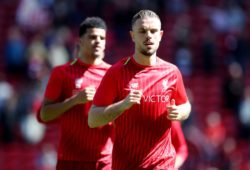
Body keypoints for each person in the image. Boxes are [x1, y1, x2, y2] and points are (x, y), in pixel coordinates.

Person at [88, 10, 191, 170]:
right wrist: (122, 105)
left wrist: (180, 112)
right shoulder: (116, 72)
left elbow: (185, 105)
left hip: (163, 165)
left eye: (153, 31)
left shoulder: (172, 72)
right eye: (142, 31)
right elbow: (93, 119)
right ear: (133, 36)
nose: (148, 36)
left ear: (161, 35)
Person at [39, 17, 113, 170]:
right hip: (70, 160)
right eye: (92, 37)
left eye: (102, 38)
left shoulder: (114, 74)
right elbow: (45, 114)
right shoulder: (62, 73)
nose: (98, 41)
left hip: (103, 160)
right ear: (80, 41)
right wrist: (74, 100)